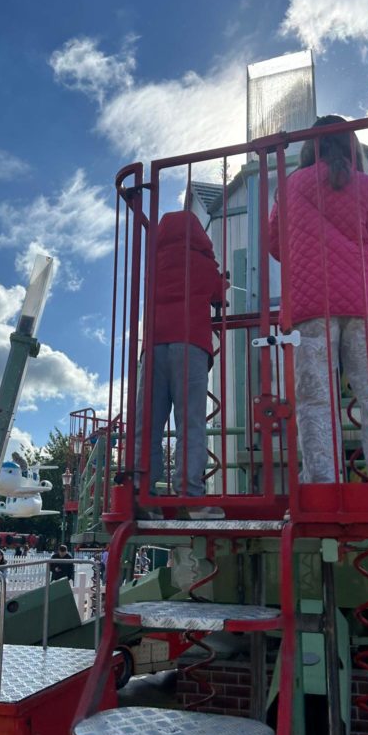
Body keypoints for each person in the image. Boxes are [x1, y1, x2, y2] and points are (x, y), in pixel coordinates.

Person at [269, 115, 368, 484]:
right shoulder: (367, 185)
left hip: (310, 305)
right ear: (351, 145)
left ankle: (322, 478)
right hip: (365, 301)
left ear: (308, 147)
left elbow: (275, 244)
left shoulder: (289, 187)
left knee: (315, 395)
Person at [135, 210, 228, 519]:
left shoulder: (154, 261)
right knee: (190, 423)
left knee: (148, 425)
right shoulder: (201, 260)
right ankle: (190, 495)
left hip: (153, 346)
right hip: (190, 343)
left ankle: (142, 492)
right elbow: (216, 291)